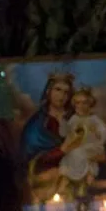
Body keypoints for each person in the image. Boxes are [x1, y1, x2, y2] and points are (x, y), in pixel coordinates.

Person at [20, 72, 75, 203]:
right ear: (48, 92)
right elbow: (29, 158)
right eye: (58, 90)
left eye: (66, 92)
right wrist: (62, 150)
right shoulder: (36, 124)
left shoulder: (75, 119)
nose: (62, 96)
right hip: (45, 181)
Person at [56, 87, 106, 198]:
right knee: (69, 156)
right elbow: (65, 133)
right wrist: (63, 123)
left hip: (92, 146)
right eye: (78, 103)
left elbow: (104, 131)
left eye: (84, 103)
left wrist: (97, 132)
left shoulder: (93, 119)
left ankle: (89, 178)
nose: (81, 106)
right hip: (77, 145)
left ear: (90, 104)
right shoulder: (74, 119)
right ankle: (66, 179)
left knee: (83, 155)